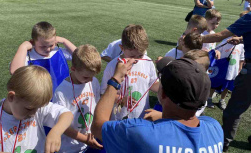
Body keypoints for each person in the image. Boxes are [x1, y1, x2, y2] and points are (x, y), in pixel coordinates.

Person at [91, 58, 223, 152]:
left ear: (163, 94)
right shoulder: (215, 128)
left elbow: (97, 126)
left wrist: (115, 80)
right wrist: (161, 116)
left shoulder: (140, 131)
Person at [0, 65, 73, 153]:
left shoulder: (35, 107)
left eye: (38, 108)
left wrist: (56, 131)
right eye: (28, 109)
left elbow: (67, 114)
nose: (33, 114)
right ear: (12, 97)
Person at [202, 0, 251, 152]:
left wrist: (196, 39)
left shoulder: (249, 17)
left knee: (234, 110)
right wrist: (242, 39)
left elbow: (221, 35)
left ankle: (223, 144)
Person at [101, 24, 158, 120]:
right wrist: (121, 100)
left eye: (140, 55)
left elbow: (153, 83)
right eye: (132, 56)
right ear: (122, 48)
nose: (136, 60)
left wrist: (164, 88)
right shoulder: (112, 66)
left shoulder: (147, 62)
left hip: (141, 118)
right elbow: (103, 93)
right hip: (118, 118)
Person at [53, 45, 103, 152]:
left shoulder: (93, 82)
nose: (90, 80)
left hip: (90, 141)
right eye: (86, 77)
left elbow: (97, 106)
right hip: (69, 148)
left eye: (92, 76)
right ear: (73, 69)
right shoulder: (61, 92)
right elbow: (62, 126)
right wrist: (84, 139)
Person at [9, 21, 76, 75]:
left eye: (51, 45)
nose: (48, 49)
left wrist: (64, 41)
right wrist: (23, 47)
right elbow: (15, 72)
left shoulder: (57, 51)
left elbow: (80, 57)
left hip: (62, 91)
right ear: (33, 42)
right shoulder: (29, 57)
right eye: (43, 46)